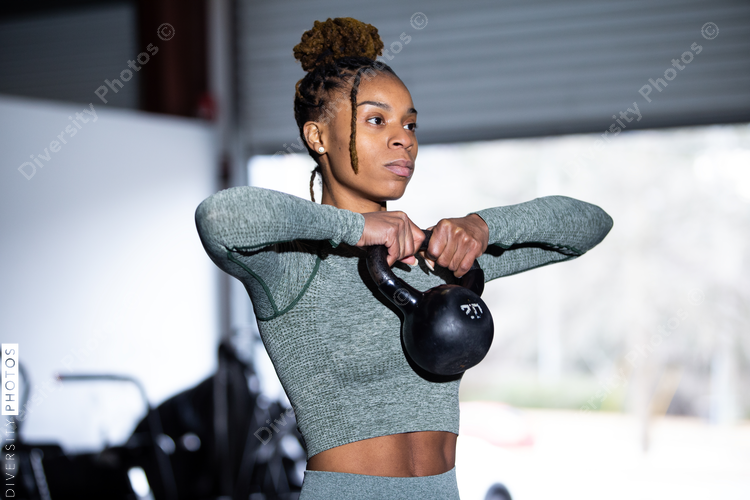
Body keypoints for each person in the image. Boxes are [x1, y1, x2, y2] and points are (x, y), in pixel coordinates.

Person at [195, 17, 613, 499]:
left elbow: (588, 224)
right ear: (318, 137)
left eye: (410, 123)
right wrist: (355, 228)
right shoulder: (294, 262)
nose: (404, 139)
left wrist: (484, 226)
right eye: (377, 120)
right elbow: (220, 218)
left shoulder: (438, 263)